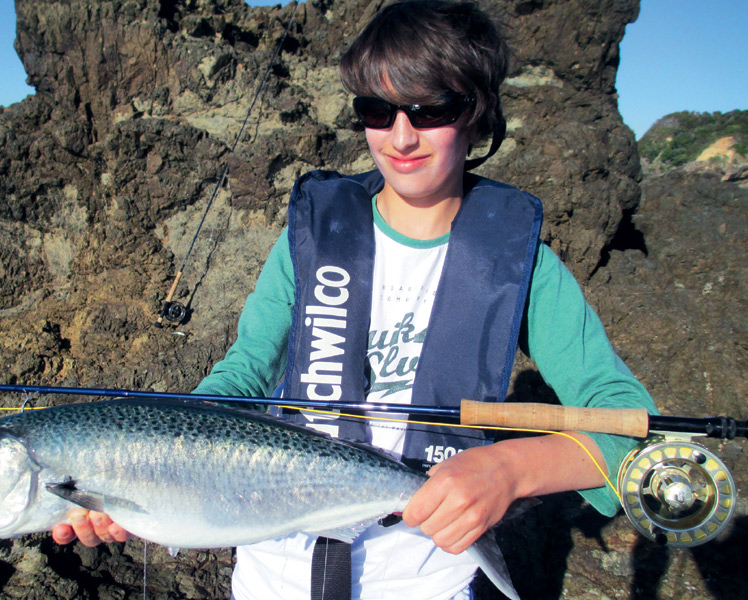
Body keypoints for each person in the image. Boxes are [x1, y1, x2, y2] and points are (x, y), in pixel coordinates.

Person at [53, 1, 658, 598]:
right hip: (272, 575)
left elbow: (624, 422)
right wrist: (142, 468)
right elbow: (241, 376)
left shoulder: (522, 267)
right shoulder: (311, 241)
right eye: (377, 110)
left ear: (476, 114)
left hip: (425, 580)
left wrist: (508, 470)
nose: (401, 137)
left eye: (430, 110)